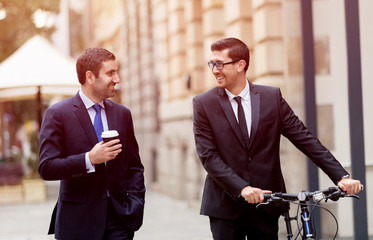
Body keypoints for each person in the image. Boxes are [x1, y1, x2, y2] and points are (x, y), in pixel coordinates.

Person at [192, 37, 362, 240]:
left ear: (240, 65)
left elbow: (304, 139)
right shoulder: (203, 103)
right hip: (225, 206)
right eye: (212, 64)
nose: (214, 70)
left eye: (220, 64)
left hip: (267, 204)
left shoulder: (271, 97)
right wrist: (242, 188)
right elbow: (208, 156)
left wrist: (342, 177)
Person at [39, 47, 145, 240]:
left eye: (117, 71)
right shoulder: (57, 114)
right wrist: (89, 159)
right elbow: (47, 167)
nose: (117, 79)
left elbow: (134, 166)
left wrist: (136, 204)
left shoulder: (122, 114)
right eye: (110, 73)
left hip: (120, 221)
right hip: (78, 224)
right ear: (90, 77)